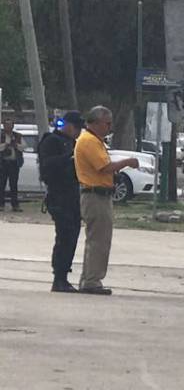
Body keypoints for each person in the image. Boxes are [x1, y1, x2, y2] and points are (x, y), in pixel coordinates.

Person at [73, 106, 139, 295]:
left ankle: (88, 278)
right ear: (95, 122)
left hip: (99, 194)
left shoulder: (94, 140)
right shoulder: (89, 141)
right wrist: (128, 162)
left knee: (96, 240)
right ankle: (92, 281)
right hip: (95, 196)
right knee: (99, 241)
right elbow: (104, 167)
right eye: (107, 123)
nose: (109, 127)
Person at [38, 112, 84, 292]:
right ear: (70, 126)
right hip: (58, 194)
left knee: (72, 234)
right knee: (65, 235)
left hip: (72, 194)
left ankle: (64, 273)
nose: (79, 132)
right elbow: (47, 166)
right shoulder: (51, 141)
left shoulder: (73, 143)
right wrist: (70, 157)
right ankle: (59, 277)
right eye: (77, 128)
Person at [0, 120, 24, 211]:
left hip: (14, 163)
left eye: (10, 125)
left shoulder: (17, 136)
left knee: (13, 185)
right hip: (3, 163)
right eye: (6, 125)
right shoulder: (1, 136)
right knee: (1, 184)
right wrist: (5, 145)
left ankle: (15, 205)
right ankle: (1, 204)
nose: (8, 127)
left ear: (13, 126)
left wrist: (15, 145)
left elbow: (23, 147)